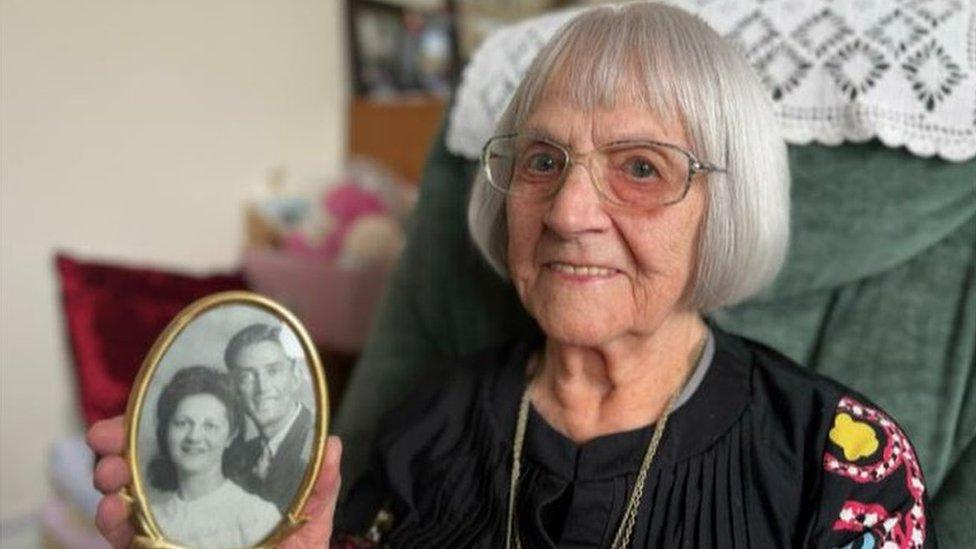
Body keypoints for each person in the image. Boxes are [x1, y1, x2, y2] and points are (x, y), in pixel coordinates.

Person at [89, 4, 935, 547]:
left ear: (728, 203)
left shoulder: (841, 463)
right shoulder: (427, 423)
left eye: (640, 167)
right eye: (542, 159)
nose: (568, 212)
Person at [146, 366, 281, 548]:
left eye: (210, 426)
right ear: (166, 431)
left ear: (231, 436)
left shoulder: (258, 516)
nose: (194, 436)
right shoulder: (151, 517)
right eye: (182, 423)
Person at [224, 323, 314, 514]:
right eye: (246, 377)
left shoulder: (315, 448)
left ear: (296, 376)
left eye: (273, 371)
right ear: (235, 390)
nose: (262, 388)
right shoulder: (239, 456)